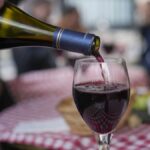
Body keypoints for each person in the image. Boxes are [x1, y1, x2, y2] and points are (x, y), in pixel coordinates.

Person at [12, 0, 57, 74]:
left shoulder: (46, 26)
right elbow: (25, 60)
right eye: (46, 8)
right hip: (30, 76)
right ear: (36, 8)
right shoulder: (26, 28)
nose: (49, 12)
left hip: (47, 74)